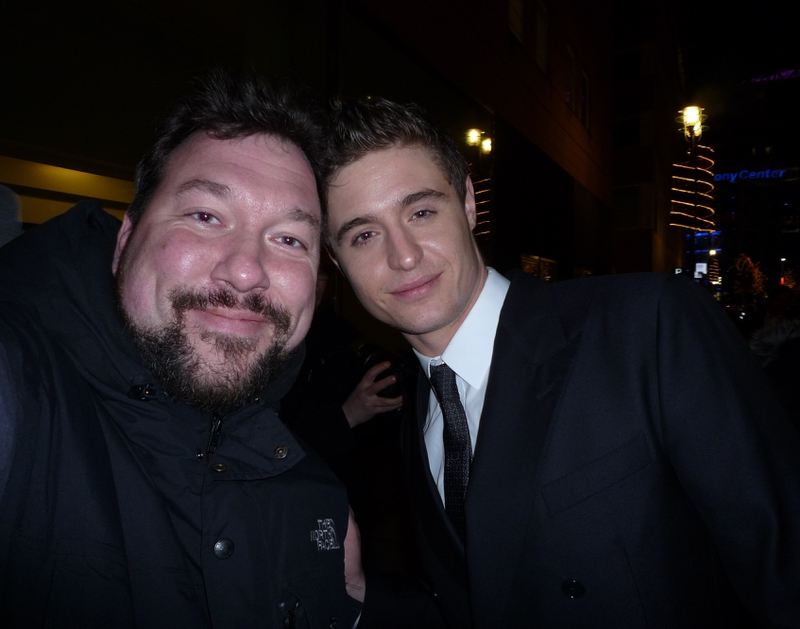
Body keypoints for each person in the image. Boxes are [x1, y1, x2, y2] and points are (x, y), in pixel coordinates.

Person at [322, 97, 800, 628]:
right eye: (364, 235)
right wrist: (362, 596)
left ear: (469, 203)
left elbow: (783, 561)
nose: (403, 255)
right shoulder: (420, 410)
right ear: (338, 263)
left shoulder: (651, 326)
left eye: (421, 211)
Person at [0, 71, 363, 628]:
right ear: (125, 241)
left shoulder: (315, 499)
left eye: (289, 239)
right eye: (205, 216)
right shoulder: (21, 387)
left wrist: (356, 607)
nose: (245, 271)